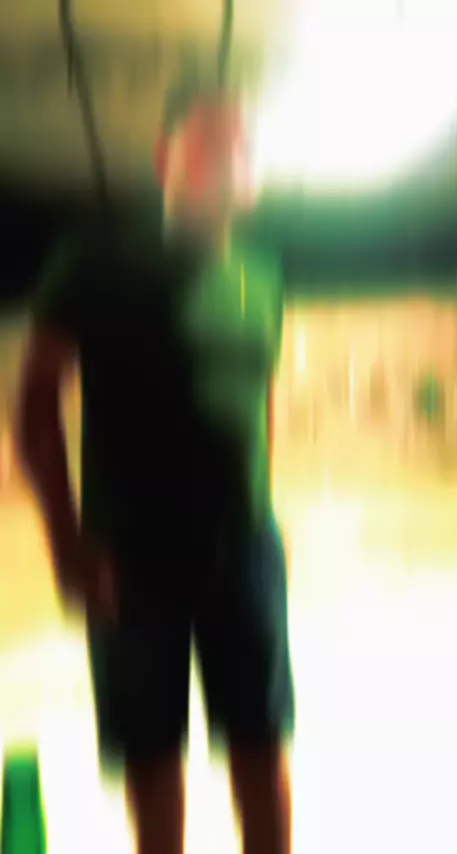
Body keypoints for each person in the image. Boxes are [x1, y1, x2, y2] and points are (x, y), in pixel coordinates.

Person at [16, 87, 295, 854]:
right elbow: (35, 403)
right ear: (166, 158)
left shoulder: (263, 277)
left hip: (245, 549)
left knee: (262, 740)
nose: (230, 158)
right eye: (210, 142)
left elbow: (257, 403)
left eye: (242, 146)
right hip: (130, 554)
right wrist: (68, 543)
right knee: (151, 755)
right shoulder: (95, 262)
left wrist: (263, 517)